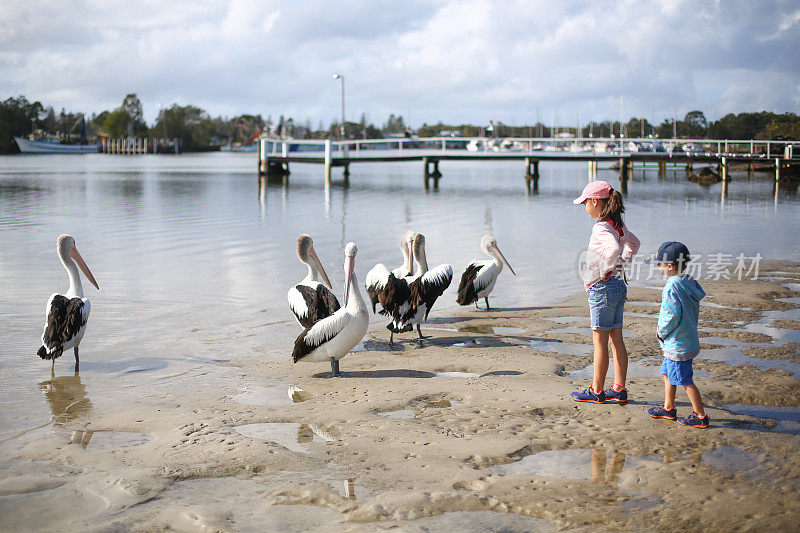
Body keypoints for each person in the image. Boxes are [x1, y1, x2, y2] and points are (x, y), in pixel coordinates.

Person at [570, 180, 640, 404]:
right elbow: (634, 243)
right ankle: (619, 388)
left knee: (599, 342)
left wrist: (606, 269)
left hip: (603, 289)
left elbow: (613, 249)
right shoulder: (617, 225)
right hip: (619, 286)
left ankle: (597, 390)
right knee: (616, 339)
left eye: (584, 204)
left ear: (594, 201)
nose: (584, 208)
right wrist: (621, 265)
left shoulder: (601, 227)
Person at [647, 242, 710, 428]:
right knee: (667, 373)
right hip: (686, 339)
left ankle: (700, 416)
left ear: (670, 266)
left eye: (659, 263)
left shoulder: (672, 286)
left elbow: (671, 315)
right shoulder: (688, 281)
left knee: (685, 380)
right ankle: (668, 407)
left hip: (677, 343)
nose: (657, 266)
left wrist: (661, 332)